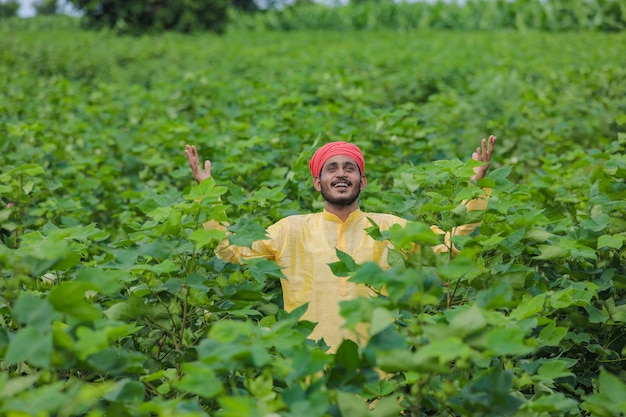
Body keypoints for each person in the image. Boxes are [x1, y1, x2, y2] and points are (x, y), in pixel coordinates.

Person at [185, 136, 496, 351]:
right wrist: (207, 194)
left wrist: (476, 185)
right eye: (331, 169)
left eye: (350, 168)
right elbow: (229, 249)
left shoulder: (390, 228)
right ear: (317, 182)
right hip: (312, 367)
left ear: (363, 181)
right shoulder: (289, 230)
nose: (341, 174)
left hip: (380, 369)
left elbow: (451, 242)